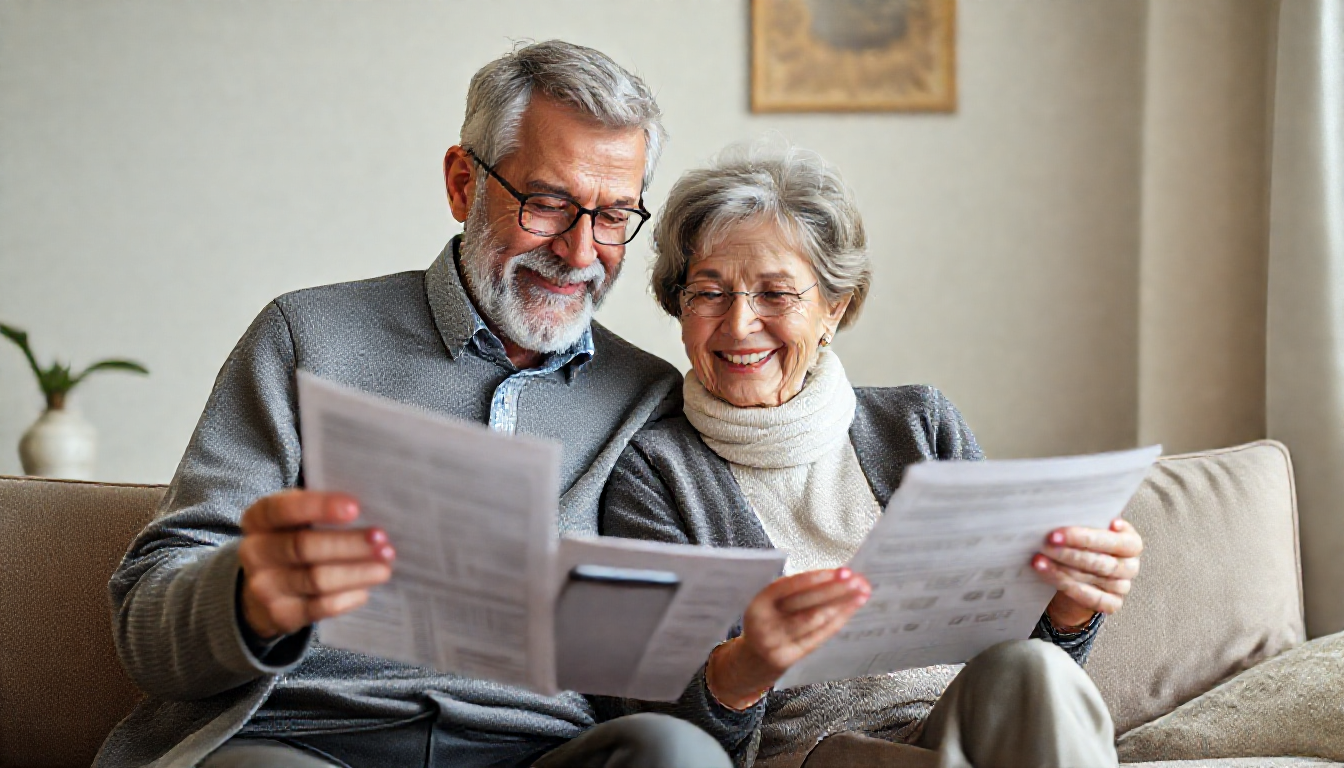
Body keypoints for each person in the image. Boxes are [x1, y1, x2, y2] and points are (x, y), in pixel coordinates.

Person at [97, 41, 738, 768]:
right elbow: (145, 619)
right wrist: (246, 597)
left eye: (614, 215)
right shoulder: (307, 337)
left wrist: (734, 674)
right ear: (464, 183)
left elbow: (657, 677)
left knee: (674, 752)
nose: (581, 251)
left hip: (538, 751)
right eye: (548, 204)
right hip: (305, 738)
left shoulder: (646, 397)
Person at [600, 143, 1145, 768]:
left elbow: (1027, 688)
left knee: (1034, 667)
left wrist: (1070, 611)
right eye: (709, 292)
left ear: (833, 309)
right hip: (813, 754)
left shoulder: (920, 426)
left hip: (963, 725)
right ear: (680, 307)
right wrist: (746, 665)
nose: (740, 323)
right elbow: (660, 731)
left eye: (775, 293)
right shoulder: (654, 471)